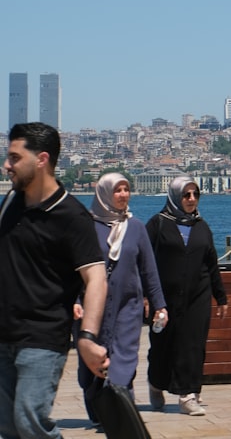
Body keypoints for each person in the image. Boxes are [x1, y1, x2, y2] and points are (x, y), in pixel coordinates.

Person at [0, 122, 109, 439]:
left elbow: (97, 278)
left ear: (42, 159)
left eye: (15, 158)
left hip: (42, 336)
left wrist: (87, 337)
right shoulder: (10, 203)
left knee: (29, 420)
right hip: (3, 334)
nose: (7, 165)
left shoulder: (71, 216)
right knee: (8, 426)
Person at [76, 172, 168, 425]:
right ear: (105, 193)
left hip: (128, 305)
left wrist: (159, 304)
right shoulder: (87, 226)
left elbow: (149, 269)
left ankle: (121, 406)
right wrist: (74, 300)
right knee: (93, 360)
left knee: (124, 356)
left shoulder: (136, 227)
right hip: (92, 306)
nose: (123, 195)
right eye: (117, 190)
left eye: (126, 189)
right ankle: (97, 407)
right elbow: (74, 268)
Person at [146, 176, 228, 416]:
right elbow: (145, 262)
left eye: (195, 195)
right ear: (175, 197)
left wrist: (221, 297)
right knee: (162, 345)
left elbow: (211, 263)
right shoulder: (157, 224)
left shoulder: (202, 226)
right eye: (186, 195)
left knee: (193, 345)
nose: (191, 200)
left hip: (197, 296)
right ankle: (155, 382)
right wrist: (145, 296)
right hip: (165, 298)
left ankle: (188, 395)